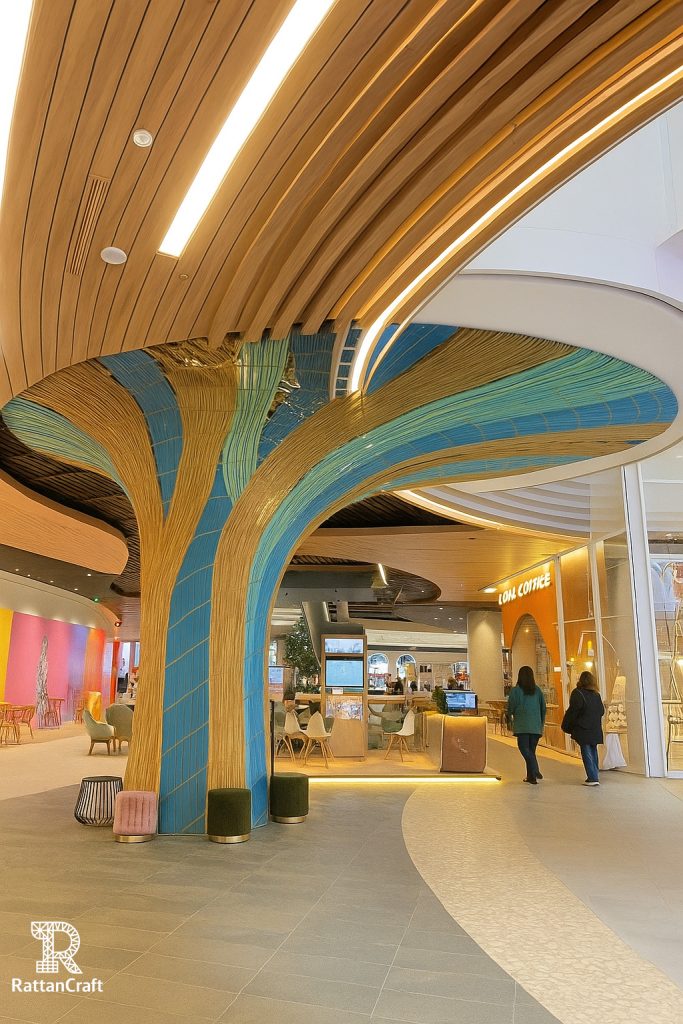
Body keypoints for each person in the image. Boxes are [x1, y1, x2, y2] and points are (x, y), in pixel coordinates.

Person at [563, 671, 605, 786]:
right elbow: (601, 711)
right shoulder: (596, 694)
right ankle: (594, 775)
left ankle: (592, 778)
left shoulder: (577, 693)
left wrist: (568, 724)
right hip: (595, 727)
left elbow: (573, 711)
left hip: (583, 727)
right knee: (593, 750)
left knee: (586, 750)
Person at [507, 665, 546, 785]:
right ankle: (531, 777)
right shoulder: (537, 691)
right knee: (531, 751)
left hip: (522, 726)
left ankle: (534, 770)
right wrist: (541, 723)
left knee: (524, 749)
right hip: (535, 726)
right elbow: (543, 708)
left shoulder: (515, 691)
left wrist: (510, 718)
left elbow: (511, 707)